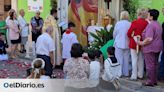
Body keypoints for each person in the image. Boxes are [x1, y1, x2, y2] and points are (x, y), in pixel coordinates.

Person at [138, 9, 163, 86]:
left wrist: (141, 43)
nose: (147, 16)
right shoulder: (158, 24)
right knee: (155, 65)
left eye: (148, 15)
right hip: (157, 47)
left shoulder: (151, 25)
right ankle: (154, 80)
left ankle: (150, 81)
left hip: (150, 48)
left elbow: (149, 38)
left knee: (150, 65)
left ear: (151, 17)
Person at [127, 8, 148, 80]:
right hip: (143, 43)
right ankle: (140, 74)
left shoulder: (135, 22)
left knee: (134, 59)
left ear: (138, 14)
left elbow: (129, 33)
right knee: (141, 59)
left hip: (134, 43)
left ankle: (134, 75)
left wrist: (132, 37)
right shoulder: (147, 23)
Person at [113, 11, 131, 77]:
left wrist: (115, 39)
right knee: (126, 59)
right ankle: (126, 73)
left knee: (119, 59)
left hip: (119, 43)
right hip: (127, 43)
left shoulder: (118, 23)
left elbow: (114, 33)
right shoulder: (130, 23)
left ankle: (119, 73)